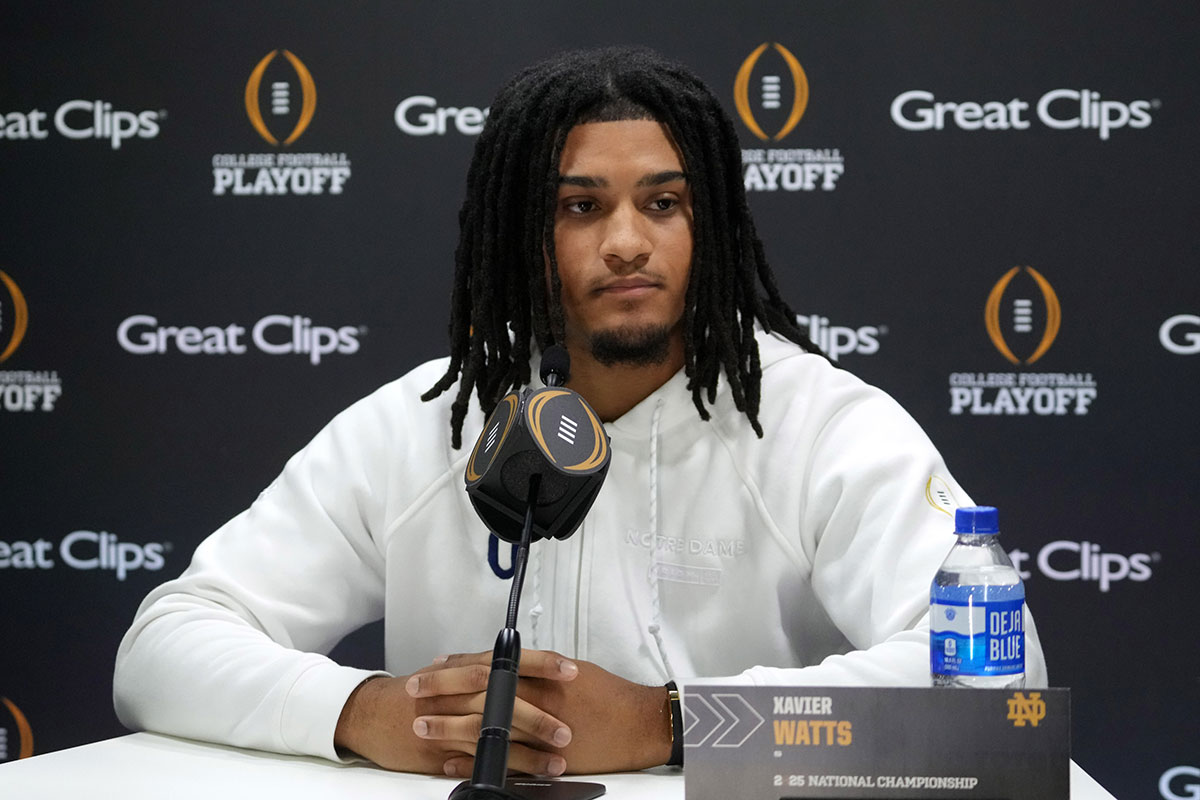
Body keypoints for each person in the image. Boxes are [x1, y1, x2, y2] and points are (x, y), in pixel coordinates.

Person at [113, 46, 1047, 779]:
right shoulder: (425, 422)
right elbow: (165, 644)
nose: (628, 243)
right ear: (525, 229)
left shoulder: (821, 425)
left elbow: (997, 683)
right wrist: (365, 715)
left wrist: (671, 722)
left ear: (706, 224)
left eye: (665, 203)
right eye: (580, 206)